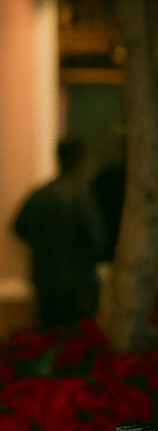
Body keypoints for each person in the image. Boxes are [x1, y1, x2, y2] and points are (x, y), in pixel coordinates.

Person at [12, 138, 106, 327]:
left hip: (46, 282)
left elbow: (19, 227)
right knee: (79, 336)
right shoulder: (82, 197)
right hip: (79, 284)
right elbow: (99, 239)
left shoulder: (41, 196)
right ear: (78, 160)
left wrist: (43, 245)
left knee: (50, 335)